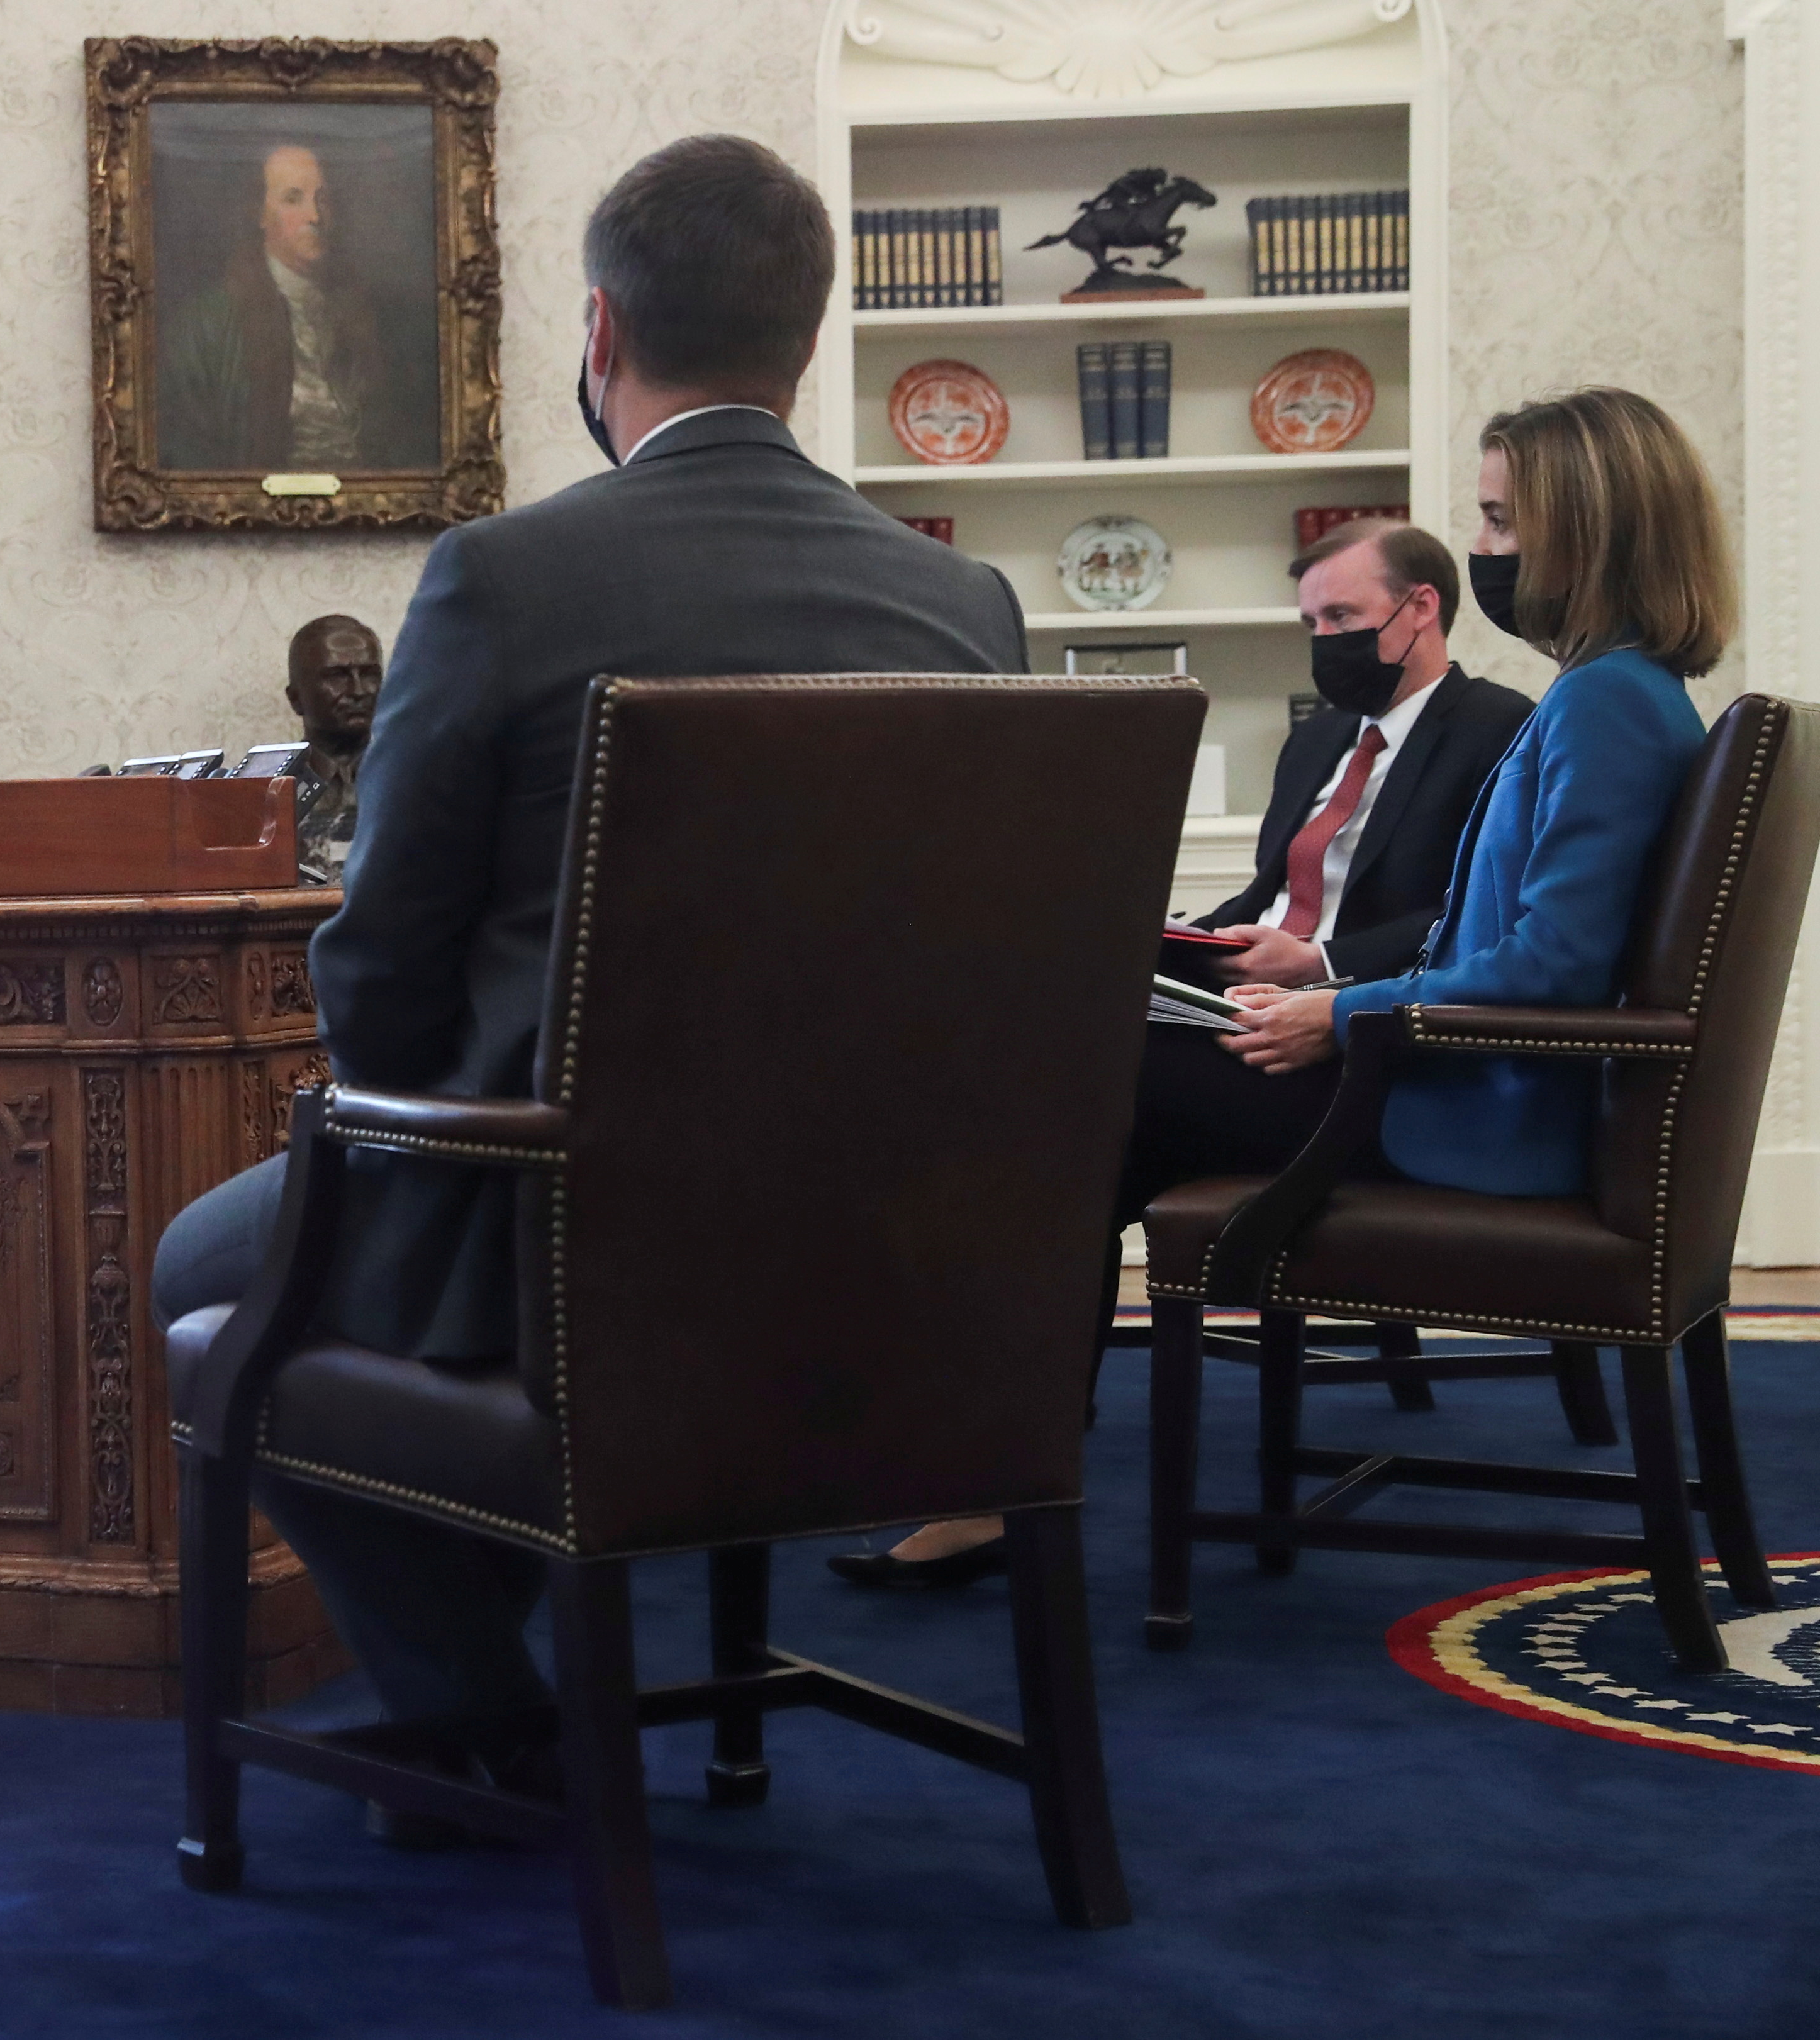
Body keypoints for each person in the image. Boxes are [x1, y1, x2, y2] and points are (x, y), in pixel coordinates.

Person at [149, 134, 1029, 1816]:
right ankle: (492, 1686)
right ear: (810, 342)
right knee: (332, 1269)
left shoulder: (507, 576)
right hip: (896, 1270)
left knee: (210, 1267)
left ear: (601, 332)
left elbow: (385, 963)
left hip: (566, 1236)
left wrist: (413, 1139)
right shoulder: (964, 603)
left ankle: (483, 1713)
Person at [842, 386, 1732, 1590]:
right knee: (1095, 1085)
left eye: (1501, 524)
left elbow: (1549, 966)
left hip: (1470, 1112)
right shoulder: (1624, 692)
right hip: (1462, 1083)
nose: (1482, 554)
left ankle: (976, 1460)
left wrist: (1334, 1011)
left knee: (1071, 1091)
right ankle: (987, 1457)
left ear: (1592, 527)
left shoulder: (1602, 702)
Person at [1181, 521, 1535, 991]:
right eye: (1312, 623)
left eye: (1341, 616)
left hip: (1360, 1004)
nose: (1323, 639)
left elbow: (1480, 914)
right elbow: (1268, 893)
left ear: (1422, 607)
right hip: (1246, 989)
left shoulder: (1499, 727)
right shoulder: (1313, 739)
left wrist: (1323, 963)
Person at [159, 143, 412, 472]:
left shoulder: (366, 312)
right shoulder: (207, 325)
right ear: (261, 214)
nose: (315, 217)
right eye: (293, 199)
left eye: (322, 199)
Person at [284, 613, 382, 883]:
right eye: (337, 676)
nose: (359, 690)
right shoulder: (270, 798)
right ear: (296, 699)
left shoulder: (416, 785)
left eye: (370, 674)